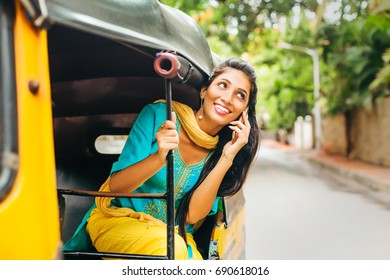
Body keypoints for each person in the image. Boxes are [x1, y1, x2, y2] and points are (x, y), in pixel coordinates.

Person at [63, 58, 260, 260]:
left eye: (240, 95)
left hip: (175, 236)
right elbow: (117, 186)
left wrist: (227, 157)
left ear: (243, 112)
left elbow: (192, 216)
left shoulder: (221, 152)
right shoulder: (159, 115)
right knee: (172, 251)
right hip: (117, 221)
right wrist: (159, 157)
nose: (227, 98)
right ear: (204, 91)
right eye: (222, 85)